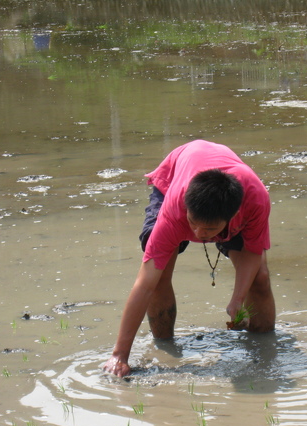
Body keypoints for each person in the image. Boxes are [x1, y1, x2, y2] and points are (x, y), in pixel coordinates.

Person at [103, 140, 276, 377]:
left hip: (231, 196)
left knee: (260, 279)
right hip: (176, 178)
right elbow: (144, 284)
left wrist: (238, 299)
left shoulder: (255, 200)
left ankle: (265, 350)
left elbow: (253, 253)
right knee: (159, 277)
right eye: (193, 224)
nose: (197, 235)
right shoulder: (175, 208)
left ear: (234, 217)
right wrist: (119, 356)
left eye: (208, 231)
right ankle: (165, 347)